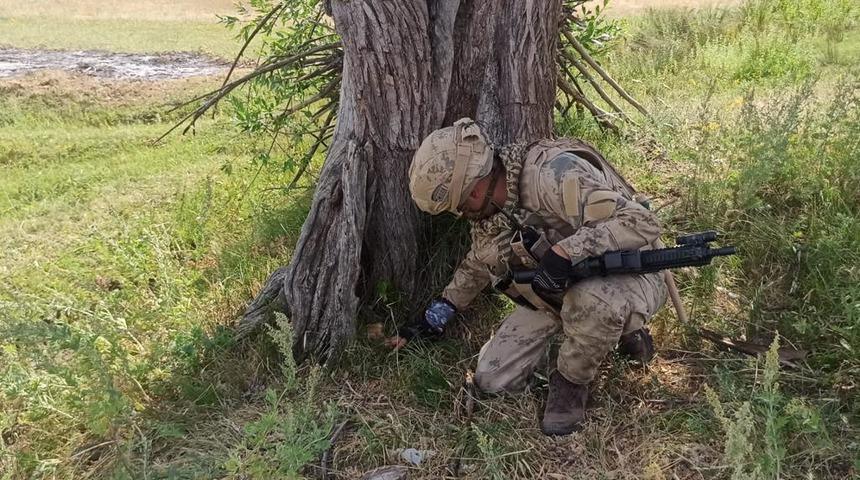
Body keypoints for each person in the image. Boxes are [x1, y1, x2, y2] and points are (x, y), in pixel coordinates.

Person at [390, 117, 667, 436]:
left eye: (460, 204)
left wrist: (566, 251)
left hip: (630, 272)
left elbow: (641, 222)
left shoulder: (553, 174)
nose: (460, 214)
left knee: (594, 302)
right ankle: (593, 335)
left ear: (477, 185)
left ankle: (571, 385)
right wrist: (436, 315)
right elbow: (479, 262)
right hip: (555, 294)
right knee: (492, 380)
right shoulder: (490, 207)